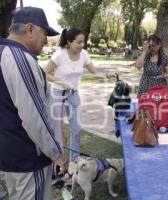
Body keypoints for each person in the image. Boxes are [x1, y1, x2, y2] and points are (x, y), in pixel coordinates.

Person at [0, 7, 68, 200]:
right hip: (29, 157)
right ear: (30, 29)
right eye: (44, 33)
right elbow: (34, 116)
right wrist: (57, 153)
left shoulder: (3, 52)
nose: (46, 40)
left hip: (10, 155)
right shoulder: (20, 58)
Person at [45, 28, 117, 161]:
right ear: (69, 42)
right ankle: (55, 162)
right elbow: (46, 73)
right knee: (56, 131)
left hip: (73, 94)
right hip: (57, 94)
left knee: (76, 129)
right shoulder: (60, 54)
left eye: (83, 42)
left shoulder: (84, 54)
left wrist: (108, 74)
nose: (81, 45)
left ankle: (74, 161)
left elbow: (94, 73)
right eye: (78, 42)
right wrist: (60, 82)